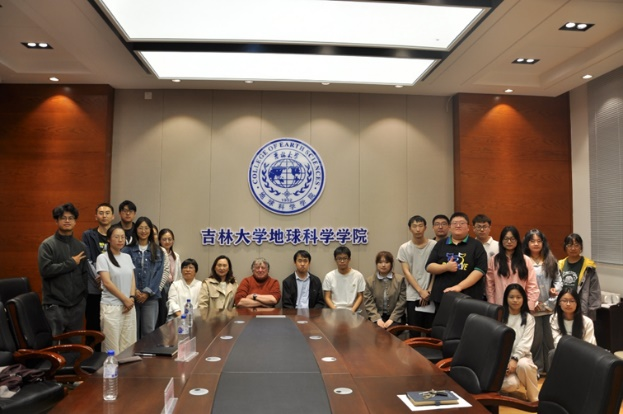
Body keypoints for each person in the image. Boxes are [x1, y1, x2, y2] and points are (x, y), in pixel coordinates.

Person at [37, 203, 89, 342]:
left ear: (75, 221)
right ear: (56, 221)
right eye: (63, 218)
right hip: (55, 305)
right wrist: (71, 263)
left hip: (77, 305)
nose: (67, 221)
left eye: (71, 218)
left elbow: (85, 274)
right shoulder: (47, 245)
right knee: (54, 347)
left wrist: (82, 299)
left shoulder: (81, 246)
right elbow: (45, 270)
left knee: (75, 348)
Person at [522, 229, 562, 374]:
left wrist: (552, 298)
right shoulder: (523, 260)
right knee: (536, 340)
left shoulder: (550, 259)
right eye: (532, 241)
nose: (536, 244)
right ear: (527, 243)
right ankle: (537, 369)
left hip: (550, 306)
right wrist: (532, 303)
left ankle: (551, 369)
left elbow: (558, 281)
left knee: (550, 339)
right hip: (533, 308)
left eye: (539, 241)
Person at [426, 212, 488, 304]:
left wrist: (459, 286)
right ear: (450, 227)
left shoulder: (476, 245)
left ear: (468, 227)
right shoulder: (441, 244)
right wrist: (446, 267)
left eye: (462, 223)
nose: (458, 226)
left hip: (470, 297)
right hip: (442, 296)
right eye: (455, 223)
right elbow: (429, 266)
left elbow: (480, 270)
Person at [122, 216, 165, 339]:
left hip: (151, 298)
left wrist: (147, 292)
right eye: (140, 228)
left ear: (150, 230)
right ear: (135, 230)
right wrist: (134, 291)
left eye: (146, 228)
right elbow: (125, 272)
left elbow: (159, 273)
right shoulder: (127, 250)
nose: (143, 231)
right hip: (131, 298)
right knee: (131, 332)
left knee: (149, 331)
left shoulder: (158, 250)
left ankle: (147, 352)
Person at [96, 225, 136, 354]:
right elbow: (107, 283)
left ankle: (126, 368)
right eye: (116, 237)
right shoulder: (102, 258)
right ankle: (111, 368)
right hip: (111, 307)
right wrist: (125, 299)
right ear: (109, 239)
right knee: (111, 347)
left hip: (129, 306)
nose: (120, 240)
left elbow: (132, 279)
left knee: (128, 346)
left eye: (123, 237)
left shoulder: (127, 257)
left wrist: (131, 298)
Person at [81, 202, 115, 350]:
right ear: (96, 216)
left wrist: (108, 278)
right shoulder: (88, 235)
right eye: (101, 213)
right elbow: (87, 259)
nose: (104, 216)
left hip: (112, 287)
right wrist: (100, 276)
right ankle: (90, 355)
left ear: (113, 216)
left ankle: (108, 354)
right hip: (94, 287)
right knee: (93, 323)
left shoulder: (117, 234)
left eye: (107, 213)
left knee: (110, 324)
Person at [396, 215, 436, 335]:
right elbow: (406, 272)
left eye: (420, 226)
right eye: (414, 226)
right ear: (410, 229)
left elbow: (436, 271)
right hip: (413, 296)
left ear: (425, 228)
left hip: (431, 295)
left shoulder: (434, 245)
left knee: (431, 332)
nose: (418, 229)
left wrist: (429, 291)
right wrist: (420, 291)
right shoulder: (404, 248)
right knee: (414, 331)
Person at [500, 284, 539, 402]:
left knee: (524, 365)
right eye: (511, 297)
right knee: (511, 384)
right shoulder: (499, 316)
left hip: (521, 358)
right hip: (503, 361)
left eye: (518, 297)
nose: (515, 300)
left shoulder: (529, 318)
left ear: (524, 299)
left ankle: (534, 399)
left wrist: (515, 359)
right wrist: (503, 365)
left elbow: (525, 342)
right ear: (506, 299)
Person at [486, 226, 539, 310]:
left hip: (521, 306)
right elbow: (490, 285)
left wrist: (530, 306)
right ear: (501, 241)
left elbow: (532, 286)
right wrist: (492, 306)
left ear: (517, 240)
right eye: (506, 239)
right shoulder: (494, 260)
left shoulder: (526, 260)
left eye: (512, 239)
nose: (509, 242)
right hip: (500, 305)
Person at [558, 233, 601, 320]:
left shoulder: (589, 266)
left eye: (576, 245)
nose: (573, 248)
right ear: (565, 247)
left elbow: (594, 290)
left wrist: (592, 310)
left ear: (581, 247)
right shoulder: (560, 265)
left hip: (582, 308)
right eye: (569, 245)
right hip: (564, 307)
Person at [363, 251, 406, 329]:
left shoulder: (400, 280)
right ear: (376, 264)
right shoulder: (369, 281)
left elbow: (402, 302)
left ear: (391, 264)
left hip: (397, 317)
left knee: (391, 330)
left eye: (386, 262)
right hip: (376, 316)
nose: (383, 265)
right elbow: (369, 303)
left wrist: (392, 319)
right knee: (375, 331)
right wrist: (377, 319)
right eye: (380, 262)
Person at [323, 246, 366, 312]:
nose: (342, 261)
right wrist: (336, 311)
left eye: (345, 258)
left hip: (352, 311)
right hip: (334, 310)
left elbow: (360, 297)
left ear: (349, 259)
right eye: (339, 258)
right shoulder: (329, 276)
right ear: (335, 260)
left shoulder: (358, 276)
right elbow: (327, 297)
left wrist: (352, 311)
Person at [157, 228, 181, 326]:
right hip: (161, 287)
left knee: (170, 311)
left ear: (173, 241)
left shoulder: (176, 256)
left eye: (169, 239)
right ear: (159, 240)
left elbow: (178, 274)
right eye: (164, 239)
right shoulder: (157, 254)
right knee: (161, 312)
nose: (167, 242)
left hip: (173, 286)